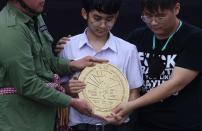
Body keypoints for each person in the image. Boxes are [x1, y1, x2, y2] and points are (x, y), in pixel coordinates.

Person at [0, 0, 108, 131]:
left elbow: (45, 61)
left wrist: (72, 64)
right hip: (21, 122)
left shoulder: (34, 15)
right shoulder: (11, 30)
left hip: (43, 118)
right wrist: (71, 102)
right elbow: (27, 84)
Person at [105, 0, 202, 130]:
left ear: (176, 8)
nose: (153, 22)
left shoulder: (194, 38)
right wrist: (72, 43)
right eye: (147, 16)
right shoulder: (137, 36)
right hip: (141, 123)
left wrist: (132, 105)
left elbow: (176, 83)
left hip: (181, 123)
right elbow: (118, 72)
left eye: (160, 16)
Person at [59, 0, 143, 131]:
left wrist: (123, 114)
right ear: (85, 13)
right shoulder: (68, 46)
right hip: (79, 126)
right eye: (97, 18)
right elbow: (57, 88)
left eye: (109, 19)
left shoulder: (128, 49)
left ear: (117, 15)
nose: (103, 25)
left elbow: (134, 91)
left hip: (116, 127)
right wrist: (67, 88)